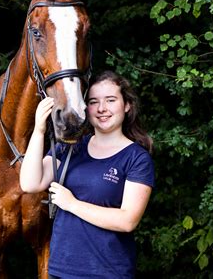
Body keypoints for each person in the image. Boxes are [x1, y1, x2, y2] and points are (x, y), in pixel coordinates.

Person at [19, 70, 155, 279]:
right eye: (93, 101)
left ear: (127, 105)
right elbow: (30, 183)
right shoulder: (71, 148)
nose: (102, 109)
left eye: (110, 100)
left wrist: (72, 204)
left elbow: (127, 220)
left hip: (108, 272)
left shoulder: (136, 158)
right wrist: (38, 130)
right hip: (60, 270)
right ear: (85, 108)